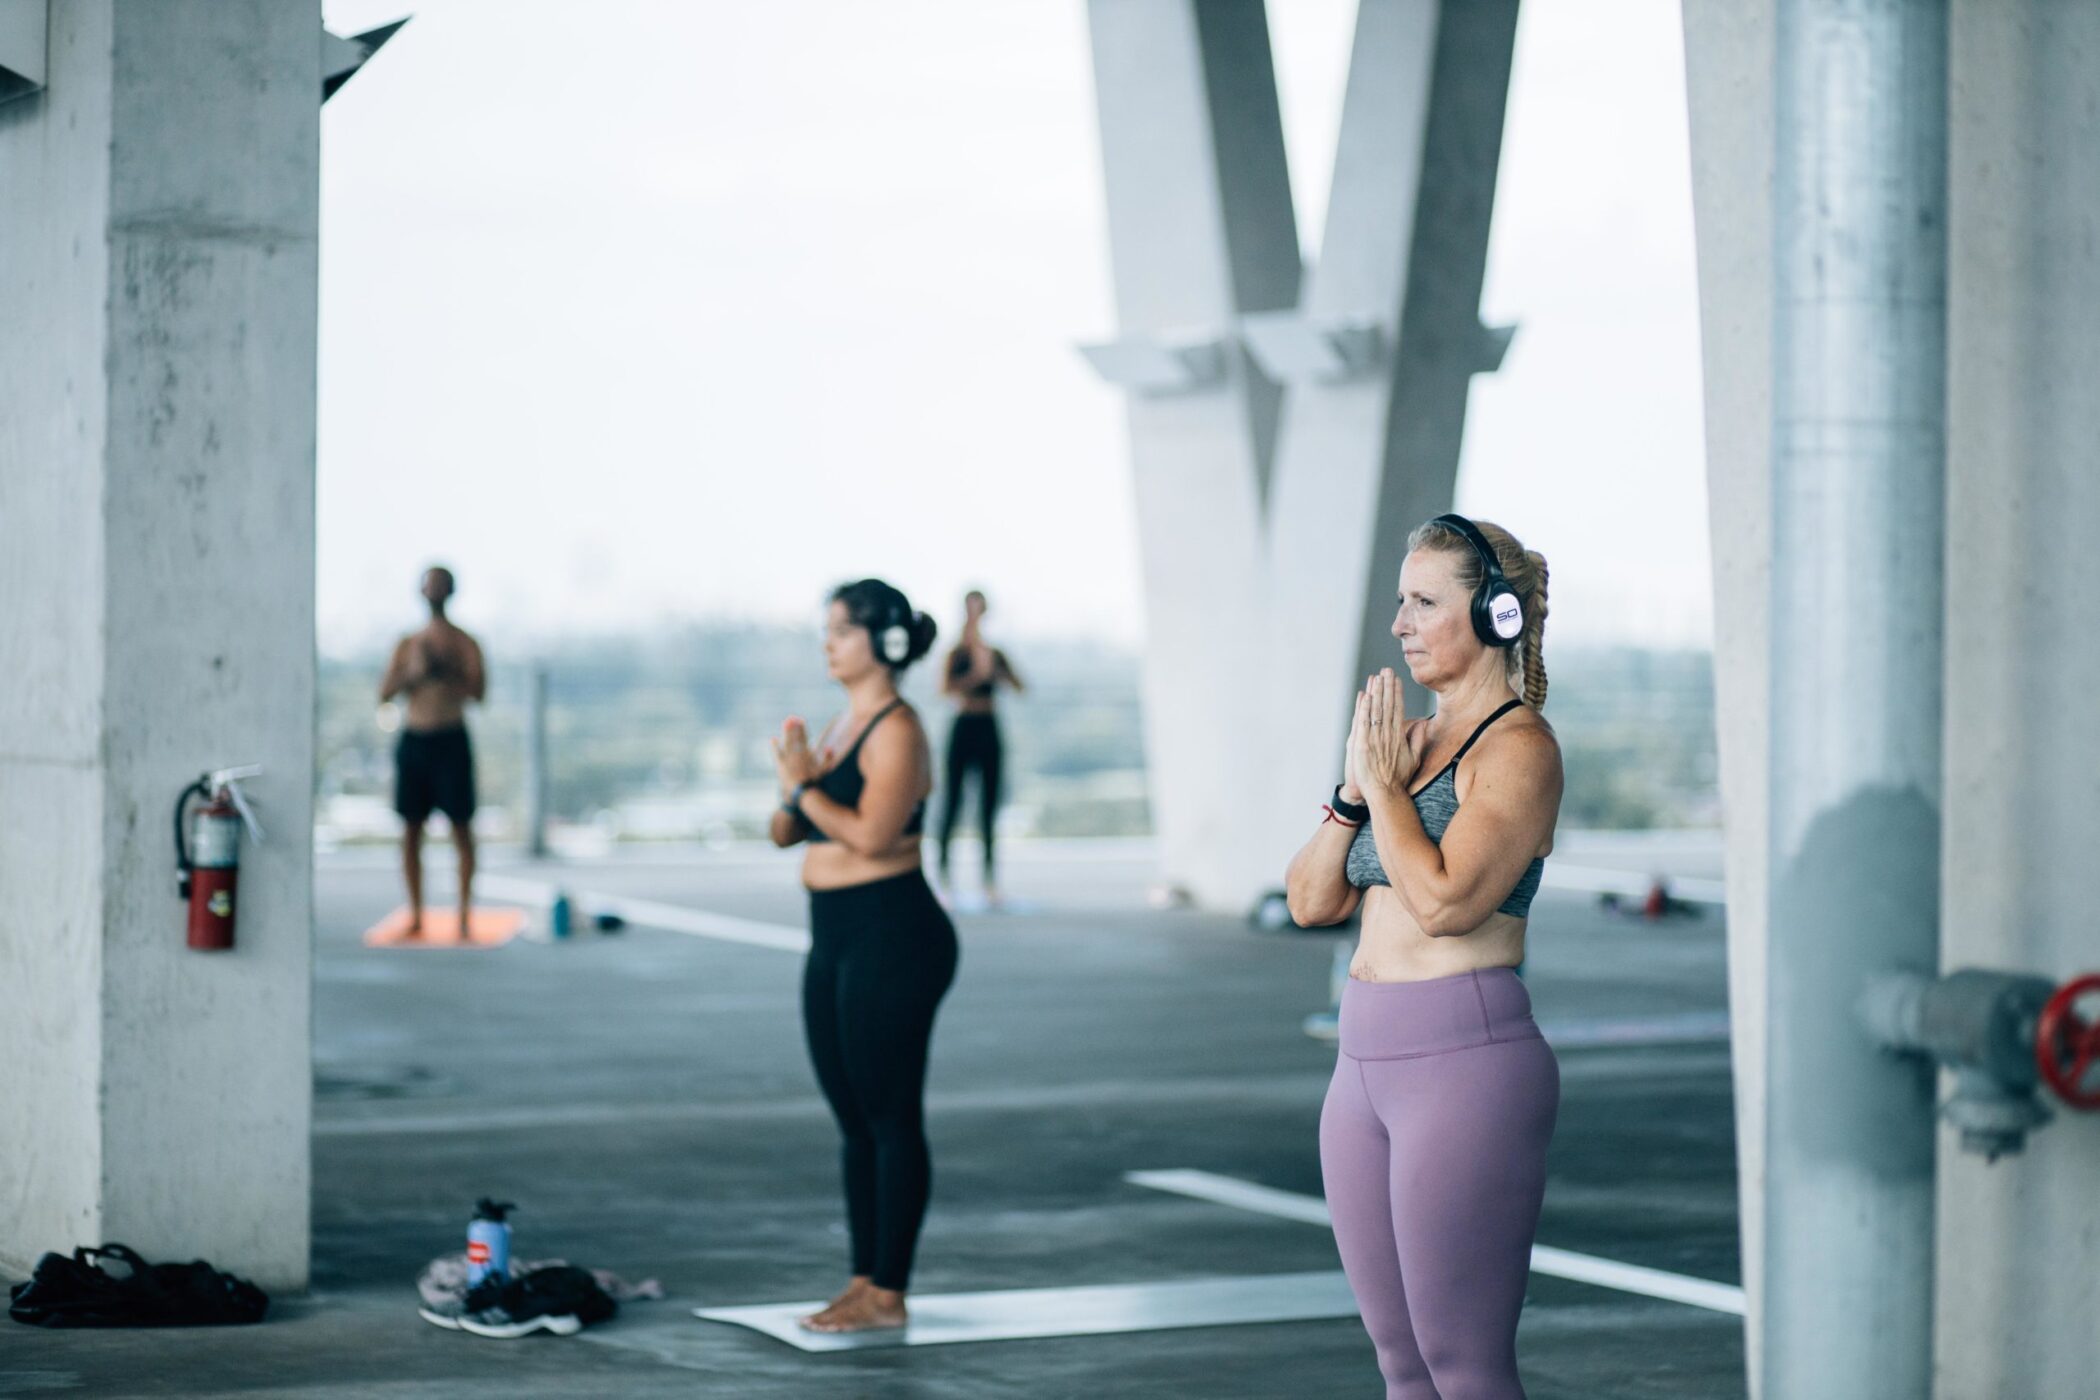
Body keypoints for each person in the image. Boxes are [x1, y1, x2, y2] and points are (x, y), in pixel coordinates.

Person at [1284, 514, 1563, 1400]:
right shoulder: (1400, 750)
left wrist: (1389, 793)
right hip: (1362, 1065)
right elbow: (1310, 902)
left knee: (1464, 1364)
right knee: (1401, 1363)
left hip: (1464, 1066)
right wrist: (1349, 795)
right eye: (1399, 601)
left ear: (1496, 617)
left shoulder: (1519, 750)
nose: (1400, 623)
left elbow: (1446, 901)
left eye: (1424, 602)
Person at [768, 579, 956, 1333]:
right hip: (836, 932)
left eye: (841, 631)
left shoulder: (896, 730)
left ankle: (890, 1292)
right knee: (853, 1120)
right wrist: (797, 789)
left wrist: (804, 790)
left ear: (883, 643)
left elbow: (873, 835)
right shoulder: (844, 727)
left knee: (890, 1115)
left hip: (893, 933)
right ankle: (863, 1279)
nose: (829, 643)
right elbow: (788, 831)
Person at [379, 566, 486, 939]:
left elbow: (479, 693)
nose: (434, 592)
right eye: (430, 585)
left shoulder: (464, 643)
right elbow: (384, 692)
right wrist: (415, 672)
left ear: (450, 591)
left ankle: (464, 913)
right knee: (411, 829)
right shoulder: (409, 644)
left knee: (461, 828)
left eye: (440, 585)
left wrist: (448, 670)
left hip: (451, 739)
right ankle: (416, 912)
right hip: (416, 740)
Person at [936, 590, 1023, 903]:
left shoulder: (995, 653)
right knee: (953, 802)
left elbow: (1019, 685)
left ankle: (989, 881)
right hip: (964, 725)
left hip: (989, 725)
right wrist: (976, 674)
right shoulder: (956, 653)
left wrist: (995, 672)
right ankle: (944, 877)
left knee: (989, 805)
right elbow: (944, 688)